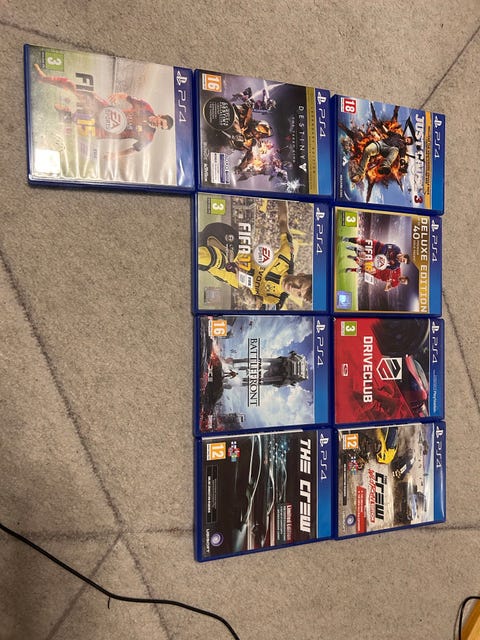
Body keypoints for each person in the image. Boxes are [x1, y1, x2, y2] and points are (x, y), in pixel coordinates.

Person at [33, 63, 173, 158]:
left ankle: (67, 114)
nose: (158, 125)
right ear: (160, 116)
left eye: (161, 127)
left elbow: (133, 149)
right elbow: (127, 97)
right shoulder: (146, 107)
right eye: (161, 122)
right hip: (106, 110)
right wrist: (118, 95)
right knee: (76, 88)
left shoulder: (148, 137)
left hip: (103, 130)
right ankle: (43, 78)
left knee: (71, 117)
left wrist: (115, 155)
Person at [198, 201, 312, 309]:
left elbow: (252, 301)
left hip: (222, 268)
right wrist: (280, 194)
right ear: (301, 274)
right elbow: (283, 220)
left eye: (299, 294)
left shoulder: (275, 300)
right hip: (229, 244)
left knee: (206, 254)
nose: (293, 288)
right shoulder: (287, 257)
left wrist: (242, 284)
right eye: (300, 283)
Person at [342, 236, 410, 270]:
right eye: (403, 259)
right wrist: (382, 256)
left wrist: (380, 264)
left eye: (403, 262)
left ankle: (355, 249)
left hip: (375, 256)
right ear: (403, 255)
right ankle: (347, 239)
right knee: (359, 241)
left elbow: (384, 267)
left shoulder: (396, 265)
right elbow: (386, 246)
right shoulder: (396, 248)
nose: (402, 261)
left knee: (362, 255)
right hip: (376, 245)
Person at [345, 262, 409, 291]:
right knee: (367, 269)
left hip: (378, 275)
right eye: (404, 281)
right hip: (380, 267)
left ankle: (355, 262)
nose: (403, 282)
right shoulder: (398, 270)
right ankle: (352, 268)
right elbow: (392, 262)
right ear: (404, 277)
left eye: (404, 283)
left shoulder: (396, 284)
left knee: (364, 270)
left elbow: (386, 289)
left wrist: (388, 283)